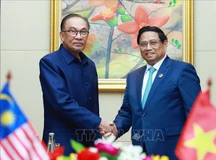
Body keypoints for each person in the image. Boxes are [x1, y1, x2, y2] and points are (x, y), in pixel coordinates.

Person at [103, 26, 201, 159]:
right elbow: (127, 112)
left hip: (173, 150)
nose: (148, 47)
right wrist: (114, 130)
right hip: (141, 149)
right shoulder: (133, 77)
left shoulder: (182, 70)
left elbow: (195, 113)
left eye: (153, 43)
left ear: (165, 43)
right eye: (143, 44)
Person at [39, 14, 111, 155]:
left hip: (88, 141)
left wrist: (98, 136)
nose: (78, 36)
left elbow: (93, 106)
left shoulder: (90, 65)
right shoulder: (50, 63)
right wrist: (99, 122)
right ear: (62, 35)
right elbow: (62, 103)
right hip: (61, 143)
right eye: (72, 31)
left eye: (83, 32)